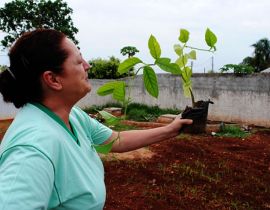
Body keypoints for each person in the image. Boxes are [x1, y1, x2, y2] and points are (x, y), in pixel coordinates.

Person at [0, 29, 192, 210]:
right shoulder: (32, 148)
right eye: (78, 61)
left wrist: (171, 129)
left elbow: (116, 139)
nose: (87, 65)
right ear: (53, 79)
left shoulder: (72, 116)